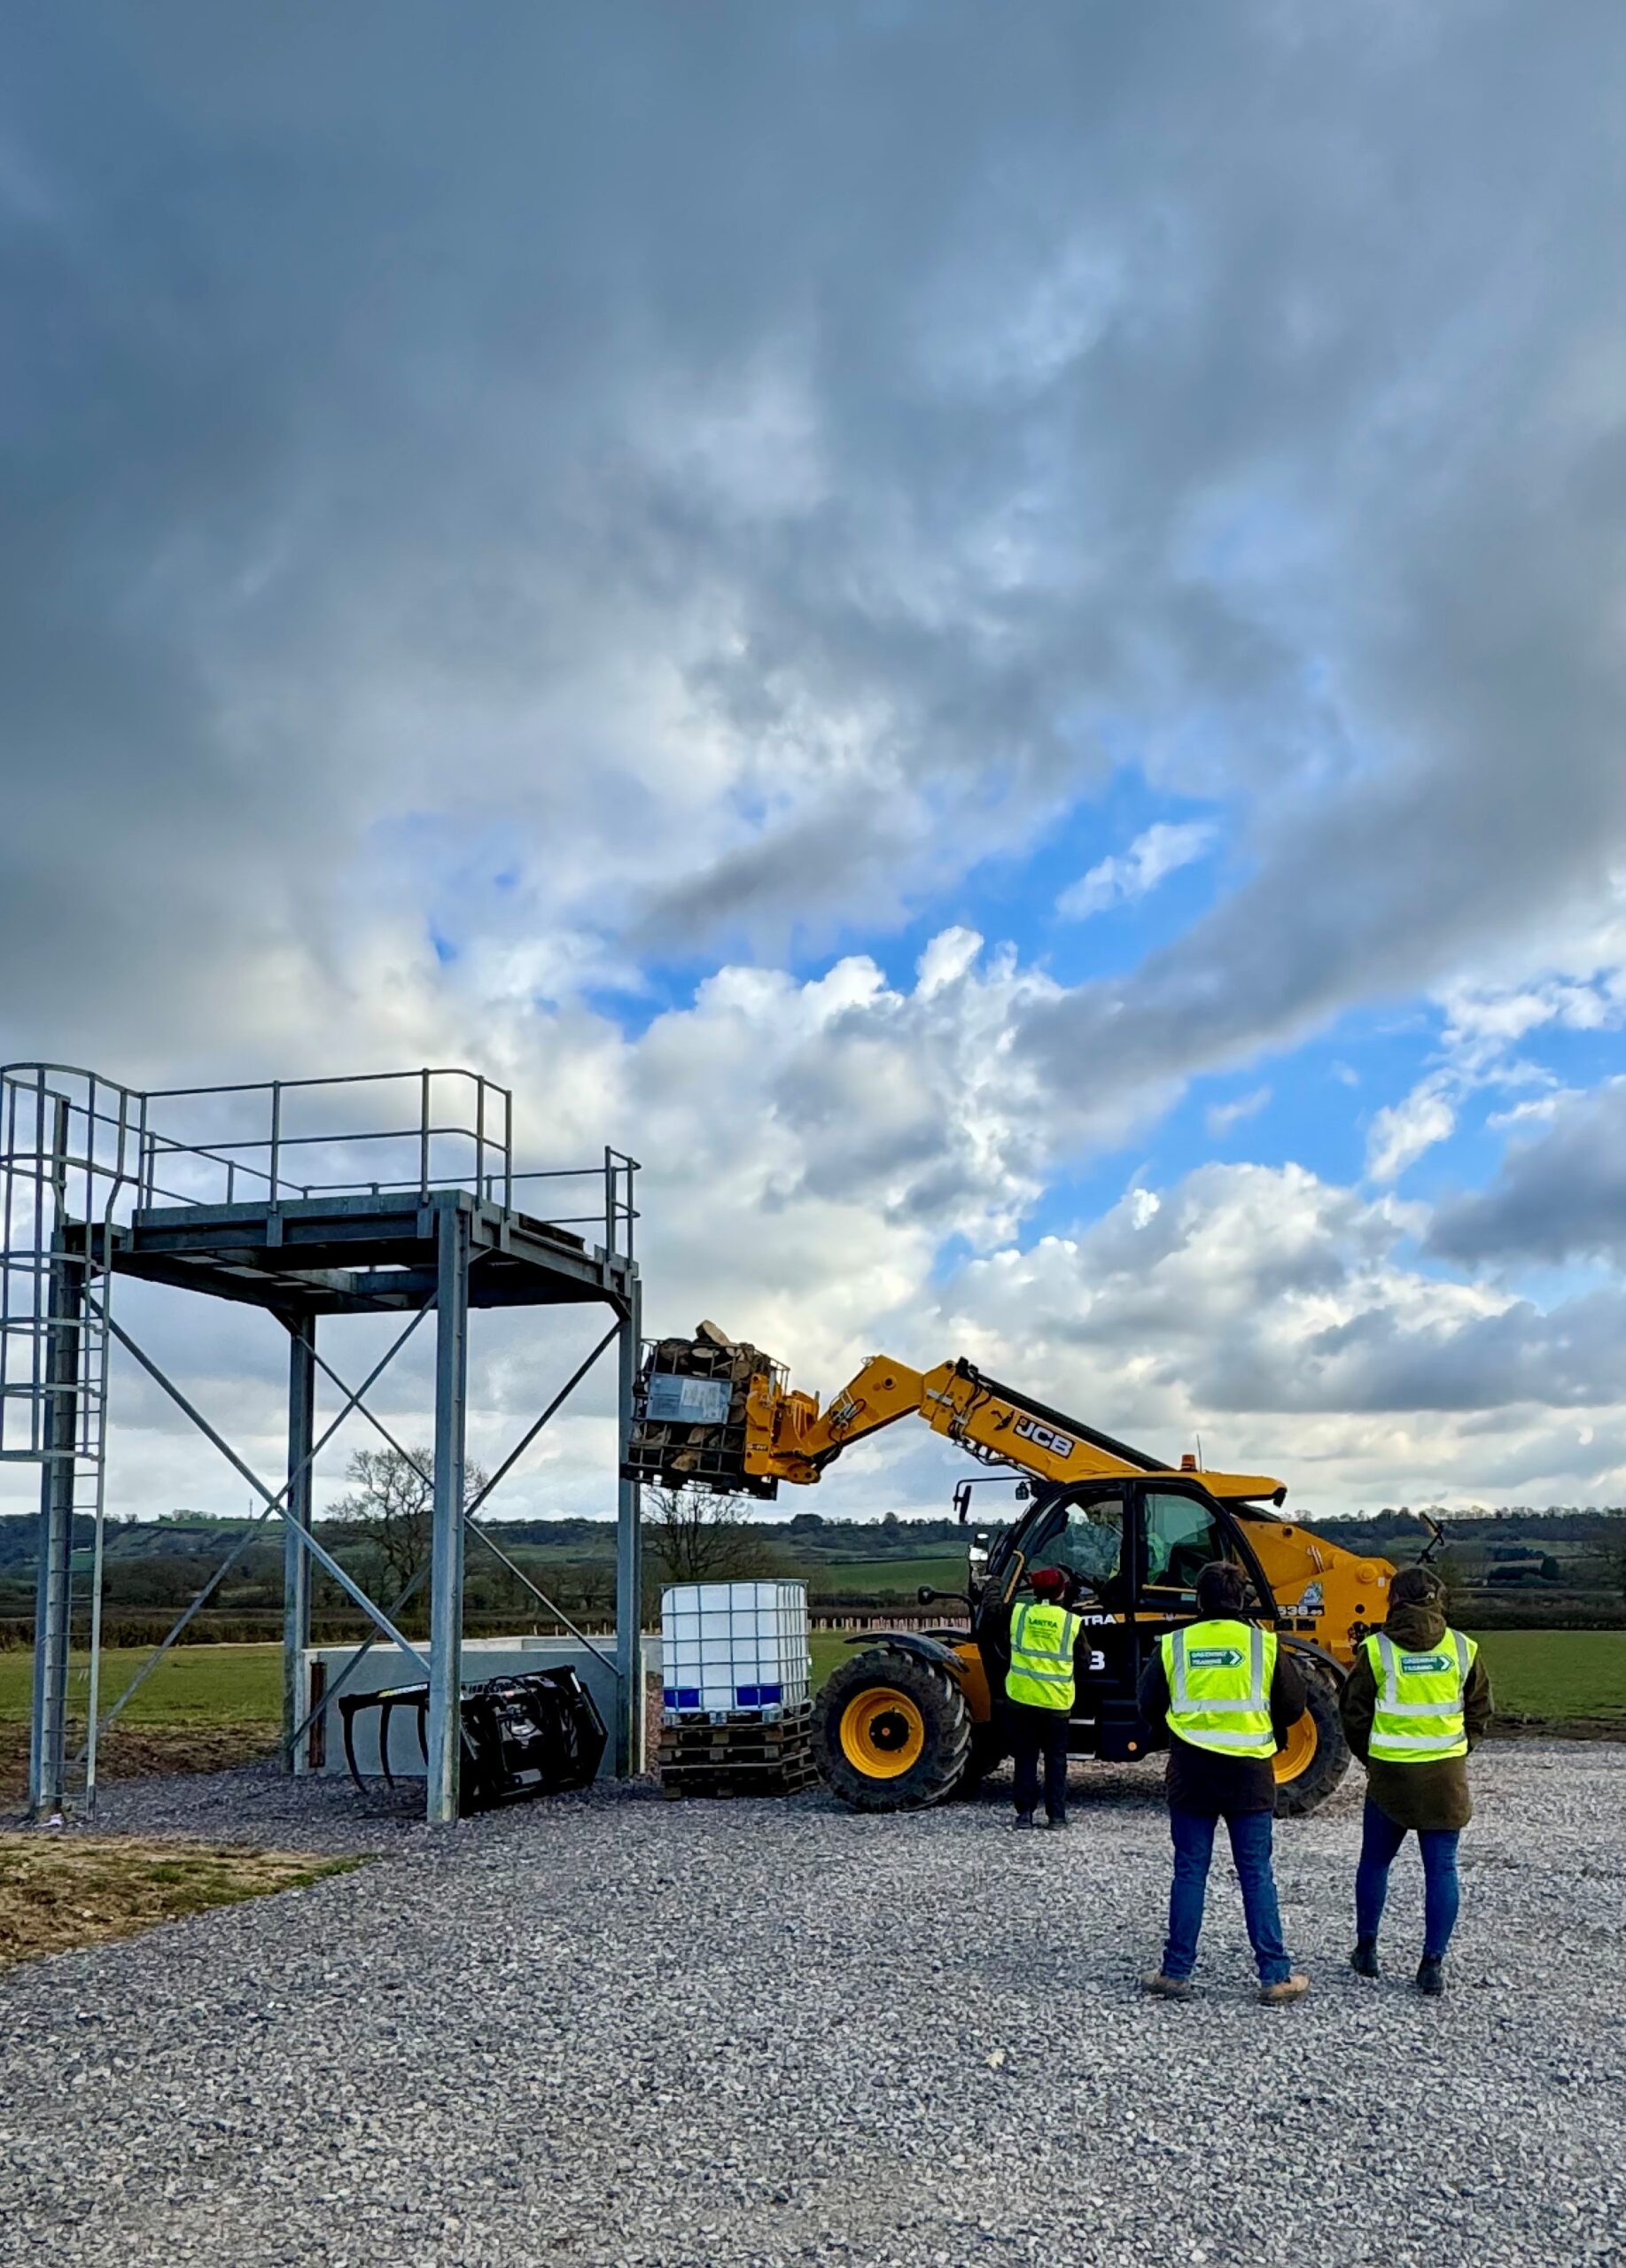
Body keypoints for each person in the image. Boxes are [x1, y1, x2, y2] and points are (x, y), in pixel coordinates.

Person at [1137, 1560, 1310, 2005]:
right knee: (1256, 1874)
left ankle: (1175, 1972)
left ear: (1199, 1598)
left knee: (1190, 1871)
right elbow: (1293, 1706)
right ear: (1242, 1599)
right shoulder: (1265, 1646)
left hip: (1192, 1771)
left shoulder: (1175, 1644)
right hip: (1249, 1775)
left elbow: (1148, 1702)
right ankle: (1275, 1975)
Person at [1339, 1562, 1492, 1996]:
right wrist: (1459, 1751)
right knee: (1441, 1869)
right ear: (1438, 1600)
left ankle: (1366, 1951)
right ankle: (1432, 1964)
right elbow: (1480, 1709)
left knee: (1374, 1862)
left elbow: (1352, 1712)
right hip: (1445, 1778)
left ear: (1394, 1601)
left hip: (1389, 1776)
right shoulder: (1464, 1649)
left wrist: (1371, 1757)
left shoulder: (1375, 1650)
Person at [1004, 1566, 1086, 1831]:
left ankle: (1024, 1814)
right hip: (1056, 1704)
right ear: (1062, 1591)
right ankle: (1057, 1817)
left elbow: (994, 1611)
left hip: (1022, 1700)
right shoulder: (1070, 1622)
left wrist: (993, 1583)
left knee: (1025, 1757)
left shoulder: (1019, 1614)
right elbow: (1084, 1661)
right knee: (1056, 1759)